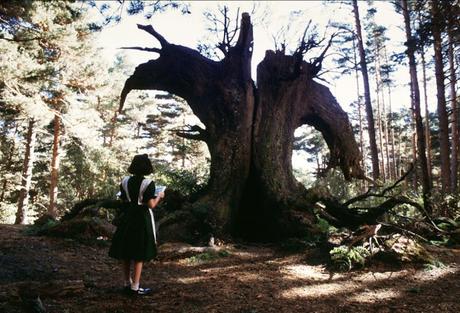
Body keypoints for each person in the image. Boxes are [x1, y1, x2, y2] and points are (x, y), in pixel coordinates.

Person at [109, 154, 164, 295]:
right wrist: (159, 196)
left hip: (127, 217)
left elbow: (122, 199)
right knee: (139, 252)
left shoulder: (125, 181)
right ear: (147, 167)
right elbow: (151, 205)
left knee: (126, 251)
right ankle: (136, 286)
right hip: (141, 219)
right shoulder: (148, 183)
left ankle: (127, 283)